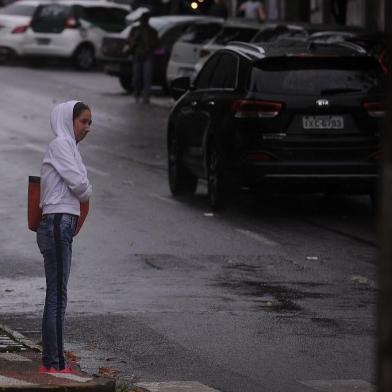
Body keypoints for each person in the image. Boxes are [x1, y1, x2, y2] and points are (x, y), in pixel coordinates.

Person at [37, 101, 92, 374]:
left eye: (89, 122)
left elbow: (82, 184)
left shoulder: (70, 147)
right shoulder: (60, 145)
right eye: (83, 121)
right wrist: (84, 188)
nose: (87, 128)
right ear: (67, 120)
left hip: (62, 223)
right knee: (57, 296)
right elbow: (81, 186)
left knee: (58, 295)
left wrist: (84, 187)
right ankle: (53, 363)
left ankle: (55, 361)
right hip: (58, 223)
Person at [127, 12, 159, 104]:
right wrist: (135, 39)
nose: (143, 21)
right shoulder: (135, 29)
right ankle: (137, 93)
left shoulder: (152, 31)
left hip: (148, 56)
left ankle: (146, 96)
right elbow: (129, 40)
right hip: (137, 56)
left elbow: (157, 43)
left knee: (147, 77)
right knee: (137, 77)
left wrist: (150, 46)